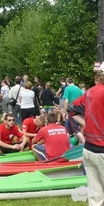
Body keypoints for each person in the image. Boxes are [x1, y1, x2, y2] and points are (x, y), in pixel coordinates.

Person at [72, 69, 104, 206]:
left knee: (95, 195)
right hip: (102, 150)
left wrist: (89, 123)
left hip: (89, 149)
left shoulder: (90, 91)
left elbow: (72, 109)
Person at [62, 78, 84, 143]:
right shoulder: (79, 89)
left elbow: (66, 101)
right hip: (80, 110)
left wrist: (64, 112)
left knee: (75, 129)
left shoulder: (67, 89)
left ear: (67, 82)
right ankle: (66, 142)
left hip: (72, 110)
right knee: (68, 127)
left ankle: (83, 142)